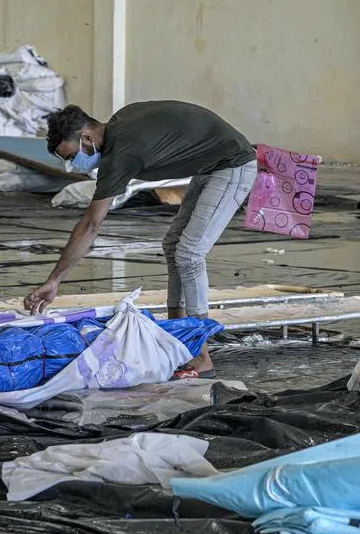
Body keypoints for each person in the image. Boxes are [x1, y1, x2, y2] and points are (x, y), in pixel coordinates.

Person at [24, 101, 258, 379]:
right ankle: (178, 333)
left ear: (87, 138)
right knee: (173, 246)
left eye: (73, 155)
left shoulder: (121, 153)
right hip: (211, 165)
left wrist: (55, 280)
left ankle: (201, 354)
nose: (73, 165)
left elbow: (90, 224)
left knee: (190, 253)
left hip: (233, 165)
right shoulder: (119, 123)